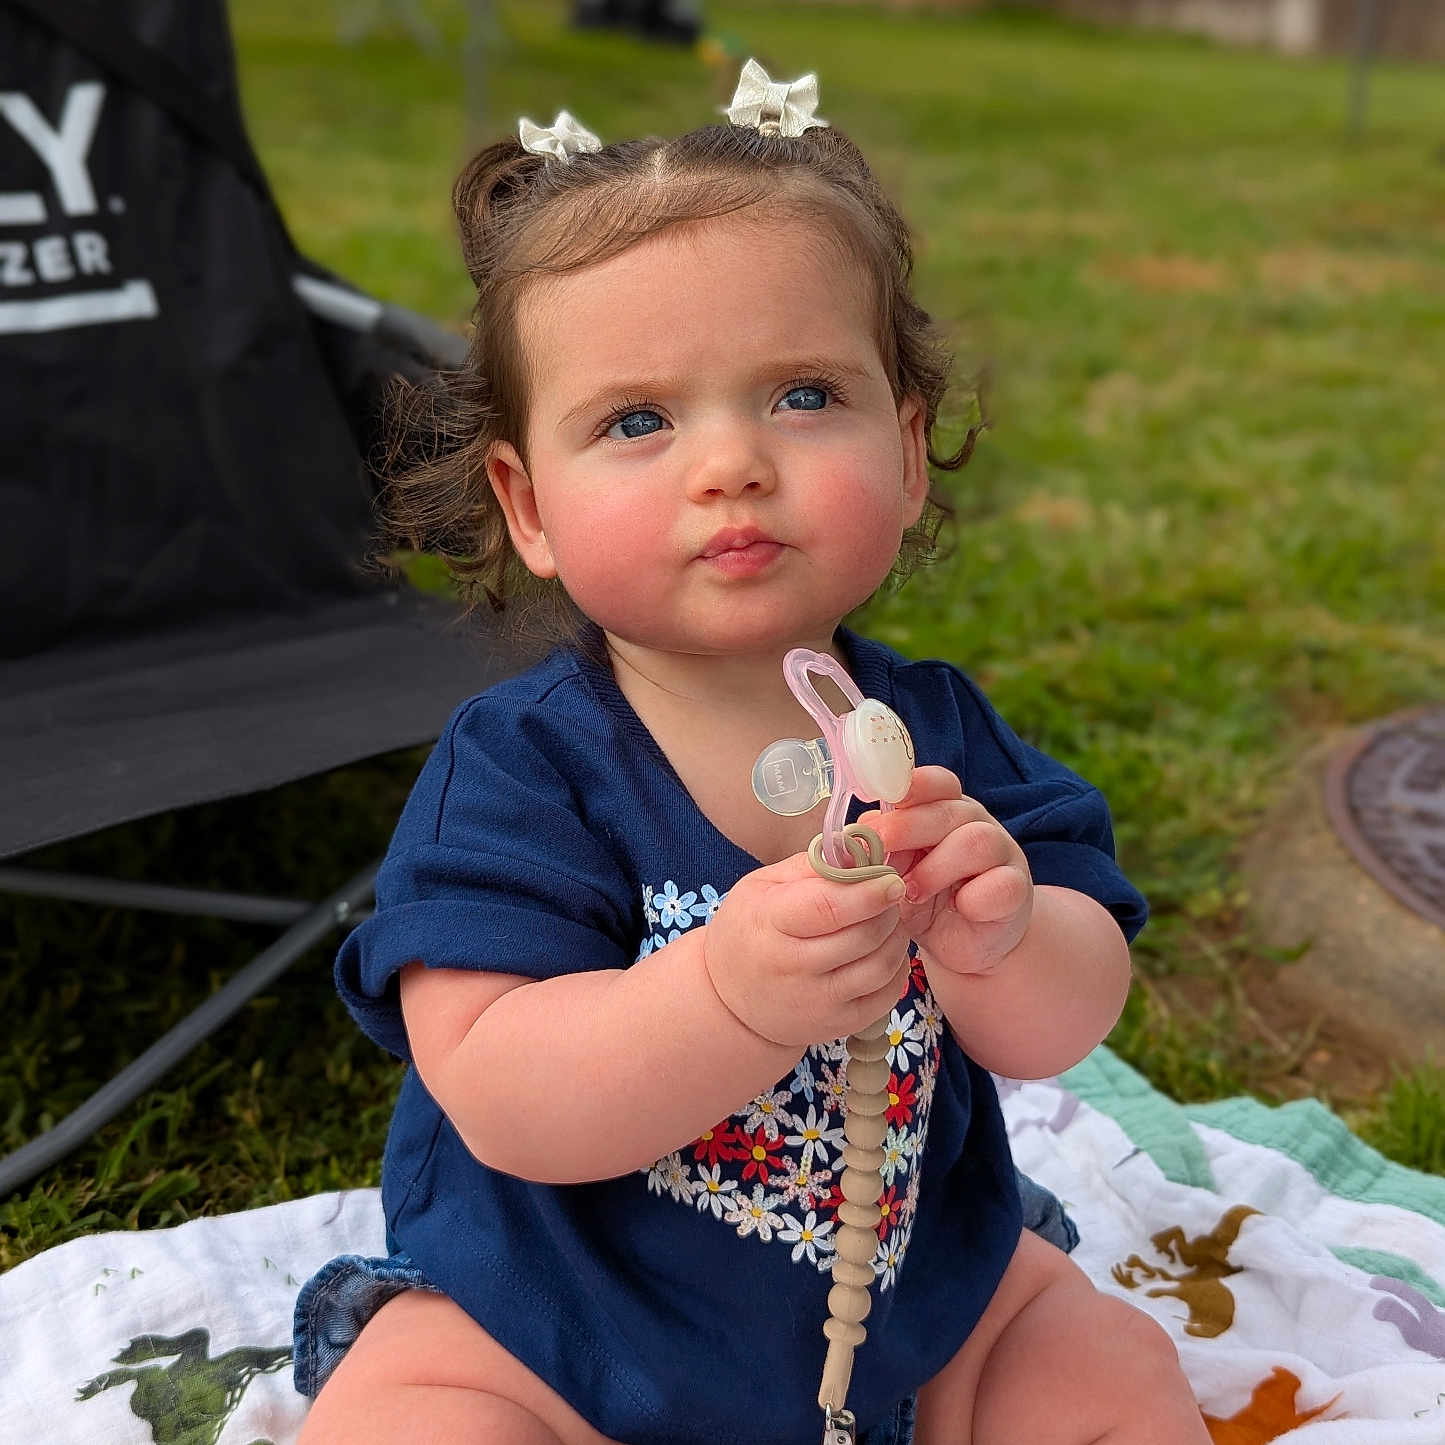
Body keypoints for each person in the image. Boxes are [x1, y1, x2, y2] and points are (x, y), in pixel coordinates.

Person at [291, 61, 1211, 1445]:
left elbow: (1061, 1017)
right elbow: (501, 1094)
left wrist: (1000, 933)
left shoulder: (936, 731)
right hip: (557, 1329)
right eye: (638, 420)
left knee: (1110, 1372)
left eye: (799, 395)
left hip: (913, 1307)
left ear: (905, 450)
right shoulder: (525, 765)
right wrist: (723, 992)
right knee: (414, 1422)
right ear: (527, 503)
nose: (728, 461)